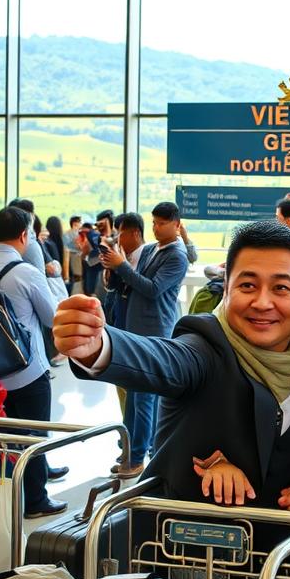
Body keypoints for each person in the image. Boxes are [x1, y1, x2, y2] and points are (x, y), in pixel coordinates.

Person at [54, 220, 290, 514]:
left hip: (287, 552)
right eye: (247, 285)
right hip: (183, 549)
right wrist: (98, 345)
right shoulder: (206, 347)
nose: (262, 302)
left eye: (281, 288)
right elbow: (162, 359)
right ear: (227, 287)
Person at [0, 206, 65, 518]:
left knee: (6, 439)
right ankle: (35, 500)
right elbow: (51, 317)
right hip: (27, 370)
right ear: (24, 235)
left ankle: (10, 495)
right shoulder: (25, 272)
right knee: (33, 436)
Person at [98, 202, 190, 478]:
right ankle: (131, 451)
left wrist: (122, 265)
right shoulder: (150, 249)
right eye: (154, 222)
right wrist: (113, 267)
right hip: (134, 328)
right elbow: (130, 283)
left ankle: (138, 457)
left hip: (155, 332)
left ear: (176, 225)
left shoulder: (177, 256)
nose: (156, 228)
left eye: (162, 223)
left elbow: (153, 289)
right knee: (133, 395)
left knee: (144, 398)